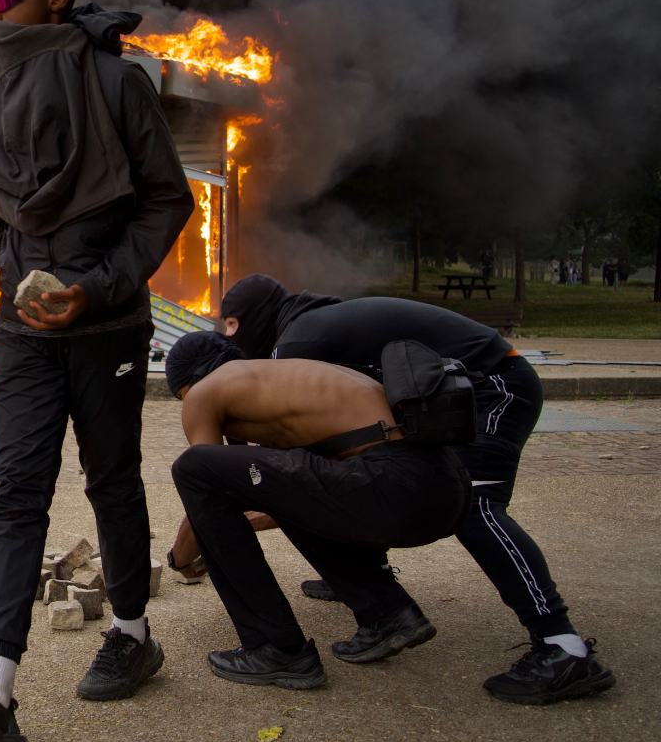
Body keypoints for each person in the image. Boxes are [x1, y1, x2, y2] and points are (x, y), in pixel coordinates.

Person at [0, 0, 195, 742]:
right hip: (22, 334)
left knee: (112, 481)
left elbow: (168, 201)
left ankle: (133, 634)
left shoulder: (118, 86)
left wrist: (96, 288)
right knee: (17, 496)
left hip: (105, 325)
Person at [214, 274, 617, 705]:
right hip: (447, 394)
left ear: (247, 323)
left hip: (492, 385)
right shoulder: (310, 327)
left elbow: (291, 463)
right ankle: (363, 578)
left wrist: (244, 513)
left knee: (475, 506)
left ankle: (562, 646)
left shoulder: (295, 344)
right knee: (352, 469)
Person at [165, 332, 469, 689]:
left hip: (392, 484)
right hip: (443, 492)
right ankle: (387, 613)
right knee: (286, 486)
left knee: (192, 467)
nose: (186, 407)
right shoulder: (283, 382)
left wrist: (180, 558)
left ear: (189, 381)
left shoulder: (205, 391)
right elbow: (294, 494)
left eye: (180, 397)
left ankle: (276, 647)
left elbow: (208, 483)